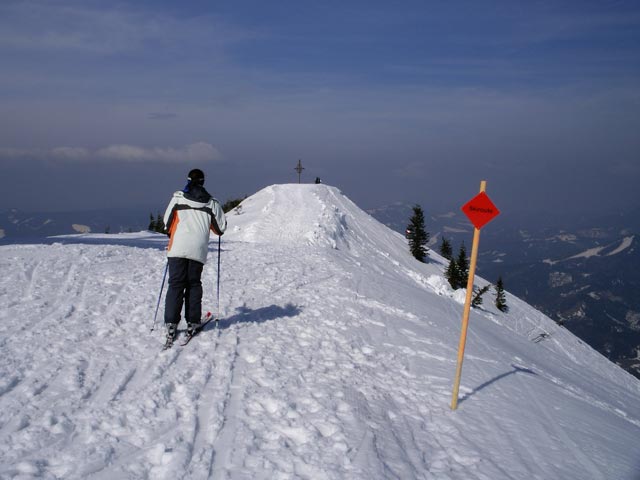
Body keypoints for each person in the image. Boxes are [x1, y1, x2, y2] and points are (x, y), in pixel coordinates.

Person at [163, 168, 227, 342]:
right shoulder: (212, 202)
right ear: (203, 182)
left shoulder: (178, 198)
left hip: (177, 247)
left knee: (175, 284)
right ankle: (193, 322)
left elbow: (166, 223)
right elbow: (221, 228)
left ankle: (171, 323)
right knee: (193, 284)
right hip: (197, 250)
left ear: (188, 179)